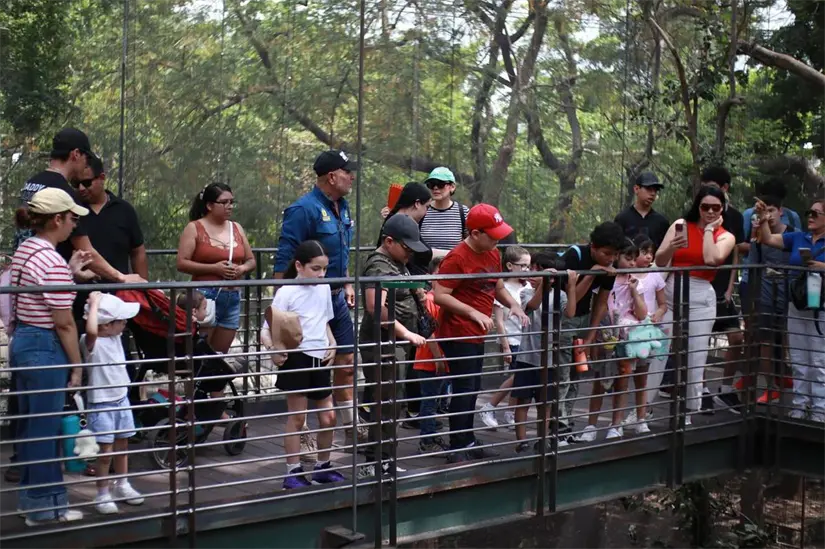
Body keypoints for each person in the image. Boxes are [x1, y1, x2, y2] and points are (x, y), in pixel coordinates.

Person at [9, 188, 90, 525]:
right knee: (45, 428)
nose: (74, 225)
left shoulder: (28, 250)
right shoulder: (51, 260)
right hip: (45, 347)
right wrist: (77, 364)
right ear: (57, 219)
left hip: (23, 342)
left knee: (31, 426)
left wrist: (68, 273)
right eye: (72, 218)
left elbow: (42, 294)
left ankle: (34, 500)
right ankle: (45, 507)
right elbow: (64, 322)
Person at [274, 150, 362, 445]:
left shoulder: (344, 206)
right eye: (347, 172)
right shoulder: (304, 209)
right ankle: (304, 431)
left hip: (335, 296)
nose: (352, 177)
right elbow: (285, 256)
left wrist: (347, 282)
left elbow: (340, 249)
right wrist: (281, 309)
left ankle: (351, 427)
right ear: (331, 176)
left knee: (346, 359)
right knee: (304, 362)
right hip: (305, 301)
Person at [433, 204, 529, 463]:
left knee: (473, 386)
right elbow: (440, 295)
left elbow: (497, 286)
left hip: (478, 332)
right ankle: (456, 444)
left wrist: (514, 305)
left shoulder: (492, 253)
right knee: (464, 387)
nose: (498, 238)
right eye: (493, 233)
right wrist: (472, 313)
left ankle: (468, 439)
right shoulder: (457, 257)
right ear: (475, 233)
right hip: (457, 331)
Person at [14, 128, 144, 284]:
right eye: (86, 157)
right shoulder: (63, 192)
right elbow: (86, 251)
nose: (86, 164)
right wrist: (121, 277)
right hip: (48, 279)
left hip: (24, 271)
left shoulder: (32, 183)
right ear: (75, 154)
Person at [655, 186, 735, 422]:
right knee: (658, 351)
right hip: (671, 292)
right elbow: (660, 260)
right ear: (697, 206)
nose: (710, 211)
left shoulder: (725, 235)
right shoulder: (681, 224)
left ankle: (688, 413)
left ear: (722, 209)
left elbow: (712, 260)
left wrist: (709, 230)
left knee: (695, 357)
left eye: (715, 207)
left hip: (701, 294)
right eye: (705, 207)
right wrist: (672, 246)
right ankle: (641, 410)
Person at [359, 215, 429, 477]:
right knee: (386, 403)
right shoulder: (379, 266)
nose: (410, 254)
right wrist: (407, 333)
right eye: (406, 248)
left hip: (395, 343)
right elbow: (375, 308)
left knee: (393, 402)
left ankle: (384, 459)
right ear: (389, 242)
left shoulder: (396, 263)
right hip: (383, 343)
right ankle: (374, 462)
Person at [271, 241, 344, 488]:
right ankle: (293, 470)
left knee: (328, 417)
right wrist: (274, 349)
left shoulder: (323, 287)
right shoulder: (286, 292)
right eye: (316, 269)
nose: (321, 274)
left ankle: (323, 465)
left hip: (320, 355)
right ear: (300, 266)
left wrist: (332, 344)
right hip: (297, 356)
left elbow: (324, 321)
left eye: (324, 269)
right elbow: (268, 328)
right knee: (298, 417)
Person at [715, 195, 793, 411]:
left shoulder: (791, 233)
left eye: (771, 210)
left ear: (781, 211)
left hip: (787, 296)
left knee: (784, 341)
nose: (768, 214)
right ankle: (765, 387)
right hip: (763, 295)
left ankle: (781, 382)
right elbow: (752, 258)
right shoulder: (759, 234)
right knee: (763, 342)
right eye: (764, 211)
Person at [753, 197, 825, 422]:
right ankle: (800, 404)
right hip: (797, 303)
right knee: (799, 357)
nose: (810, 217)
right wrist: (764, 219)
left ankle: (820, 408)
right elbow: (766, 239)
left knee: (819, 360)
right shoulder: (798, 237)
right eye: (809, 213)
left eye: (816, 213)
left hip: (821, 307)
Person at [578, 239, 649, 441]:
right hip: (604, 336)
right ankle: (591, 426)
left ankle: (615, 424)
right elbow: (597, 308)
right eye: (628, 258)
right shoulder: (606, 280)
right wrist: (591, 338)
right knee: (599, 382)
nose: (633, 263)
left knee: (622, 382)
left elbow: (642, 314)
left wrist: (635, 291)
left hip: (626, 338)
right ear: (617, 257)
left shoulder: (636, 282)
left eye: (635, 259)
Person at [558, 222, 625, 434]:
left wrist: (590, 335)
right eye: (607, 253)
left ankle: (567, 425)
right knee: (561, 376)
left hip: (583, 319)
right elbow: (571, 301)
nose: (611, 259)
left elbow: (601, 303)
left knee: (576, 372)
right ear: (593, 247)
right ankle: (556, 426)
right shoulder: (574, 256)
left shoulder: (610, 268)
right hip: (563, 318)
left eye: (615, 255)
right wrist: (591, 273)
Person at [81, 292, 144, 514]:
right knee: (105, 452)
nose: (125, 323)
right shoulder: (91, 343)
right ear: (105, 325)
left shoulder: (116, 337)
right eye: (120, 320)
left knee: (123, 445)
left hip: (121, 399)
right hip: (102, 404)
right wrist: (95, 304)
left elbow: (106, 325)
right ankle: (103, 493)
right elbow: (91, 330)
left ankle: (122, 484)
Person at [176, 182, 256, 354]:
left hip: (233, 295)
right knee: (200, 352)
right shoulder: (194, 228)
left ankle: (212, 381)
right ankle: (195, 381)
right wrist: (214, 268)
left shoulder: (236, 228)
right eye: (224, 202)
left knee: (219, 356)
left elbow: (251, 260)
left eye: (232, 202)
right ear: (210, 205)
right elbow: (182, 263)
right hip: (204, 297)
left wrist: (241, 269)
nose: (230, 206)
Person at [512, 253, 576, 453]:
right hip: (527, 356)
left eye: (537, 270)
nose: (531, 273)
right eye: (532, 269)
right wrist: (543, 286)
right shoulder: (526, 292)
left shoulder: (561, 295)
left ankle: (543, 438)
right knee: (522, 400)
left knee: (545, 403)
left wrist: (571, 286)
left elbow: (570, 313)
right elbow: (532, 306)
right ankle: (522, 441)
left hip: (548, 359)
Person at [700, 167, 746, 413]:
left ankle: (726, 389)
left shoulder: (735, 217)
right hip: (701, 284)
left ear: (724, 188)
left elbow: (737, 250)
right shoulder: (696, 214)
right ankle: (702, 389)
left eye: (712, 185)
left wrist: (730, 285)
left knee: (736, 337)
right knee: (700, 339)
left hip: (723, 285)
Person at [478, 246, 532, 430]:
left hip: (526, 339)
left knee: (521, 378)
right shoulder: (502, 288)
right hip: (512, 340)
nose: (527, 270)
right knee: (518, 376)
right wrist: (506, 346)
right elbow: (499, 322)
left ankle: (511, 412)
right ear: (509, 265)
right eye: (522, 266)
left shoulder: (528, 286)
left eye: (529, 266)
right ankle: (489, 406)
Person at [413, 256, 449, 454]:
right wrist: (438, 358)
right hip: (429, 360)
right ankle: (426, 441)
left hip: (440, 360)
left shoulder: (443, 300)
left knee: (435, 401)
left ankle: (432, 436)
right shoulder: (428, 300)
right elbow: (429, 330)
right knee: (429, 402)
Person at [630, 235, 670, 412]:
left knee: (642, 374)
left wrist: (659, 314)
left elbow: (663, 304)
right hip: (628, 328)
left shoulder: (655, 276)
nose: (648, 257)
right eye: (644, 252)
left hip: (647, 330)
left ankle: (641, 415)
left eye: (651, 253)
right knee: (623, 374)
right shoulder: (626, 275)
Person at [379, 182, 433, 275]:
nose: (426, 212)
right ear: (417, 203)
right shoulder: (396, 226)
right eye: (426, 207)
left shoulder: (411, 225)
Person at [418, 167, 470, 257]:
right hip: (425, 269)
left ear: (452, 187)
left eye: (440, 184)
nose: (435, 188)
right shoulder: (421, 210)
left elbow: (471, 244)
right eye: (431, 184)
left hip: (454, 268)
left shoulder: (463, 212)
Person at [614, 172, 670, 251]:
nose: (653, 193)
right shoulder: (622, 218)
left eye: (655, 190)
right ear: (636, 189)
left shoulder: (662, 222)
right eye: (649, 189)